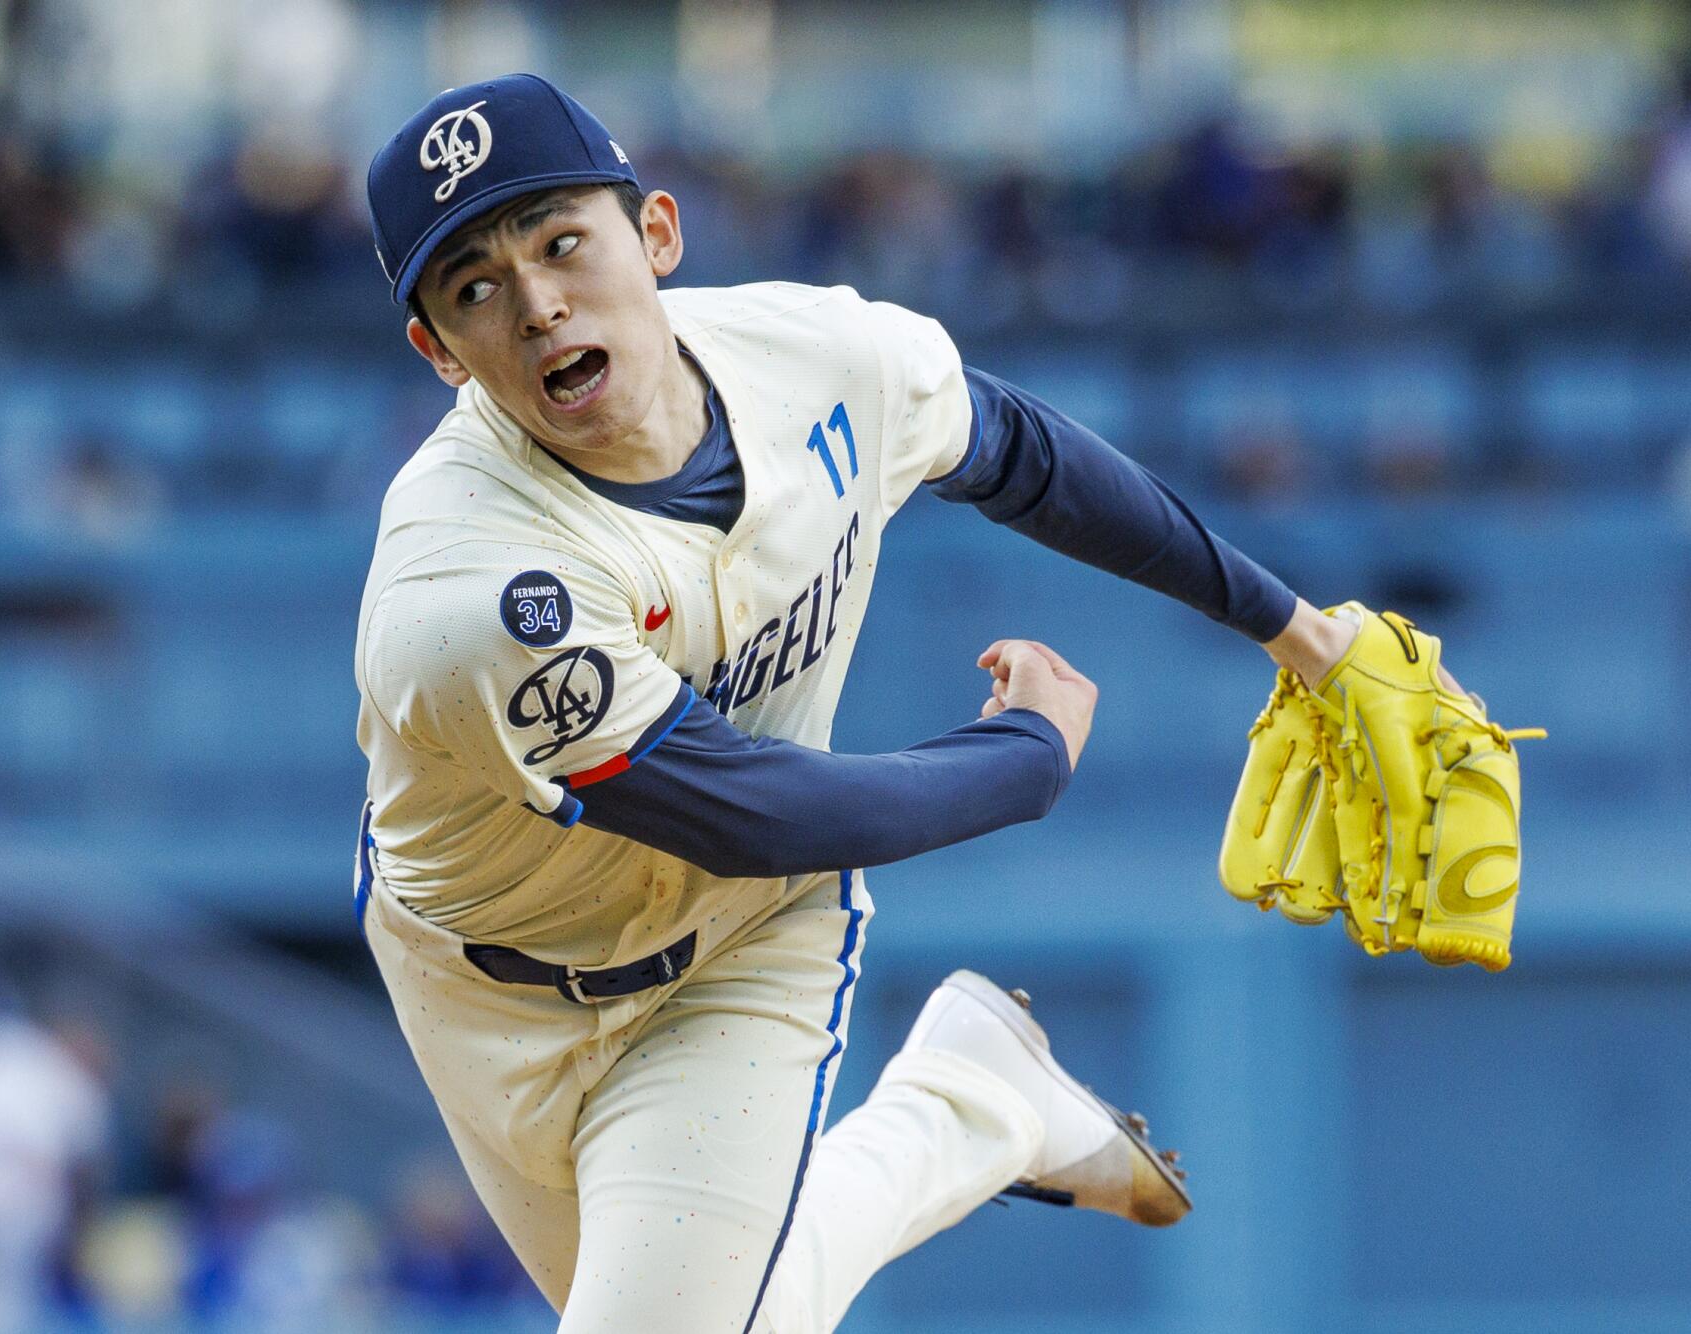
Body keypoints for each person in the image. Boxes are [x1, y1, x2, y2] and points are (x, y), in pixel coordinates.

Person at [352, 75, 1361, 1333]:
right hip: (484, 985)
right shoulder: (469, 585)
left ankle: (969, 1103)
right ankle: (966, 1104)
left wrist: (1295, 627)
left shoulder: (818, 358)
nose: (539, 301)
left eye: (561, 242)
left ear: (655, 234)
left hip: (737, 949)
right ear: (437, 350)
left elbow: (1019, 452)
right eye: (475, 287)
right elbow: (746, 808)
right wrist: (1021, 758)